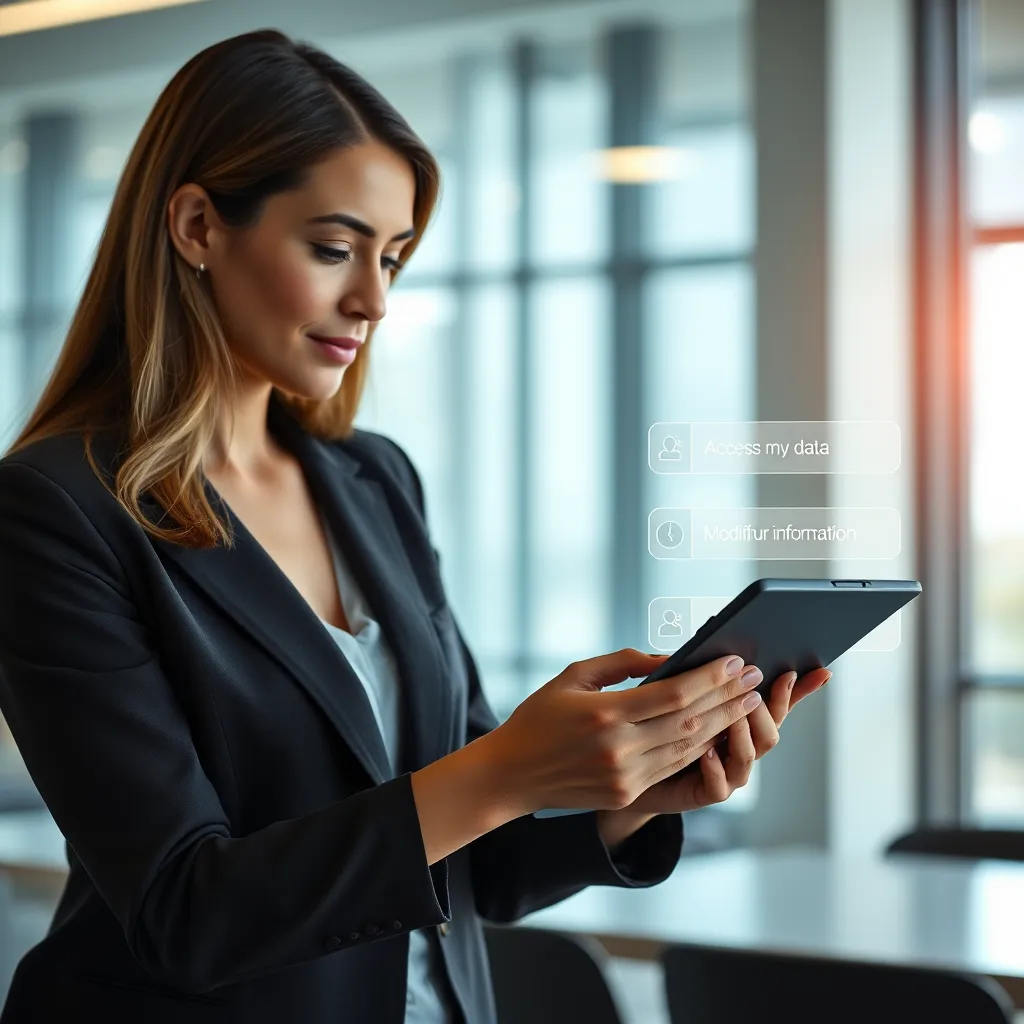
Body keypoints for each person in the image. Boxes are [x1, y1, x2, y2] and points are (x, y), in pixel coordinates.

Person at [0, 29, 829, 1024]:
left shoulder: (372, 480)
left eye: (391, 256)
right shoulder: (55, 511)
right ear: (195, 225)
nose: (375, 298)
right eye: (333, 248)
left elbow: (468, 853)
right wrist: (506, 766)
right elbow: (189, 913)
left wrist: (624, 793)